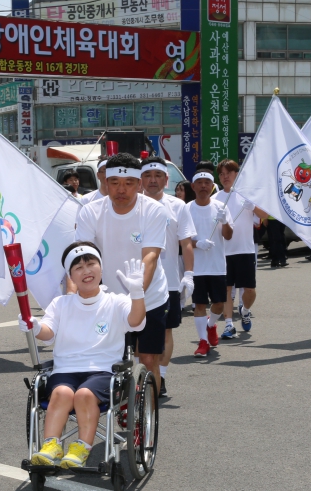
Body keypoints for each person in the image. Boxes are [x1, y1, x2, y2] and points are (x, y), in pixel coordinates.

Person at [22, 243, 147, 469]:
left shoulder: (116, 301)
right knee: (60, 393)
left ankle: (81, 448)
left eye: (91, 264)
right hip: (66, 370)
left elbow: (135, 322)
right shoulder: (61, 303)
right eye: (78, 267)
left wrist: (137, 294)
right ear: (70, 276)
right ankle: (51, 446)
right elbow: (47, 333)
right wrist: (35, 325)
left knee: (84, 395)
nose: (86, 271)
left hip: (103, 370)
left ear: (100, 267)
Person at [76, 152, 170, 382]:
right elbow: (82, 258)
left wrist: (136, 294)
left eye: (129, 184)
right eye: (115, 183)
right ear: (105, 183)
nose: (121, 190)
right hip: (107, 300)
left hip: (150, 297)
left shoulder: (154, 210)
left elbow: (150, 255)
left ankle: (148, 413)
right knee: (109, 362)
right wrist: (74, 297)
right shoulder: (90, 212)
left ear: (139, 185)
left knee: (148, 360)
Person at [140, 156, 194, 398]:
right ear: (140, 179)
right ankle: (141, 377)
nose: (153, 181)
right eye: (148, 176)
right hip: (137, 281)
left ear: (166, 178)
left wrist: (189, 274)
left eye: (157, 176)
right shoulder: (132, 205)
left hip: (169, 280)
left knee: (166, 332)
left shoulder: (178, 206)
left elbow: (186, 243)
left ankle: (160, 377)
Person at [185, 161, 233, 358]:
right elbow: (183, 239)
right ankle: (203, 341)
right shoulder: (186, 209)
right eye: (200, 183)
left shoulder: (221, 207)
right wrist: (198, 244)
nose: (203, 186)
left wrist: (224, 221)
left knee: (219, 304)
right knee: (199, 306)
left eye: (207, 183)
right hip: (196, 267)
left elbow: (229, 236)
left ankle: (211, 324)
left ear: (212, 186)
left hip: (217, 266)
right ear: (193, 186)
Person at [216, 159, 267, 339]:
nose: (224, 177)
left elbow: (265, 216)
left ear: (237, 174)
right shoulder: (216, 198)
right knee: (227, 290)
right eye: (221, 174)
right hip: (224, 251)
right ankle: (229, 325)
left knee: (250, 290)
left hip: (245, 250)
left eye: (228, 173)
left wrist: (252, 206)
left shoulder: (247, 195)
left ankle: (245, 310)